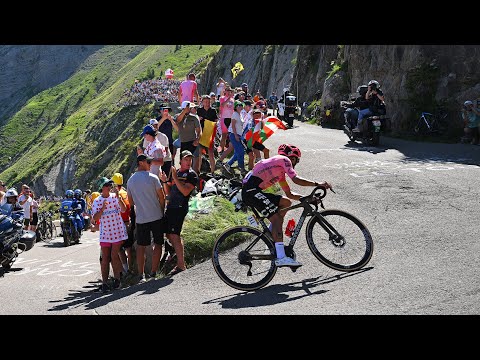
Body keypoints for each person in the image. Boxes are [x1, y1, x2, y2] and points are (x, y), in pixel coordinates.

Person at [241, 144, 333, 268]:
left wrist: (307, 199)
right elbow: (296, 179)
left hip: (252, 191)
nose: (294, 163)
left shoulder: (279, 172)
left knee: (285, 202)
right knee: (277, 219)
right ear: (292, 157)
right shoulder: (284, 159)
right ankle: (281, 257)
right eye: (296, 160)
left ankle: (271, 231)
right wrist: (318, 184)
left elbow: (289, 194)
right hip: (251, 191)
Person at [126, 154, 166, 282]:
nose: (150, 164)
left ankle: (141, 275)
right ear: (141, 162)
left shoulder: (130, 181)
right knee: (158, 244)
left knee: (141, 247)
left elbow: (131, 202)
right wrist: (161, 210)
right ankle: (153, 273)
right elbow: (162, 197)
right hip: (156, 216)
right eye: (148, 162)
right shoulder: (153, 178)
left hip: (141, 218)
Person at [159, 150, 198, 276]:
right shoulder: (177, 172)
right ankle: (177, 252)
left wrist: (175, 177)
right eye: (186, 159)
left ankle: (181, 265)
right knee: (169, 234)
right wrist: (165, 181)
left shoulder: (192, 175)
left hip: (180, 207)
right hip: (171, 206)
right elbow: (169, 192)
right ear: (180, 160)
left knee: (175, 235)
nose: (188, 162)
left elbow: (186, 191)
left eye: (190, 159)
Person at [92, 177, 128, 293]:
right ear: (102, 188)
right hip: (105, 233)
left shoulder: (114, 197)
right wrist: (102, 209)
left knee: (114, 255)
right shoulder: (97, 201)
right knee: (105, 258)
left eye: (109, 184)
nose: (109, 186)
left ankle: (118, 279)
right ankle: (105, 282)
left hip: (117, 231)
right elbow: (95, 218)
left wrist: (118, 197)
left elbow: (123, 209)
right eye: (107, 185)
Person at [112, 172, 132, 275]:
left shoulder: (115, 195)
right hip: (128, 221)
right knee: (128, 246)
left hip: (119, 224)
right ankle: (131, 266)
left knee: (119, 248)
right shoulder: (125, 192)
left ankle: (125, 269)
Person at [196, 94, 219, 174]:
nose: (207, 103)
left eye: (208, 102)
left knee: (211, 153)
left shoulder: (213, 110)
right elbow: (196, 120)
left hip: (209, 134)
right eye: (205, 102)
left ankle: (213, 171)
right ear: (202, 102)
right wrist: (198, 119)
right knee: (199, 154)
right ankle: (198, 171)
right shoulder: (199, 110)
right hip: (201, 134)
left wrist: (215, 124)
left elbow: (216, 120)